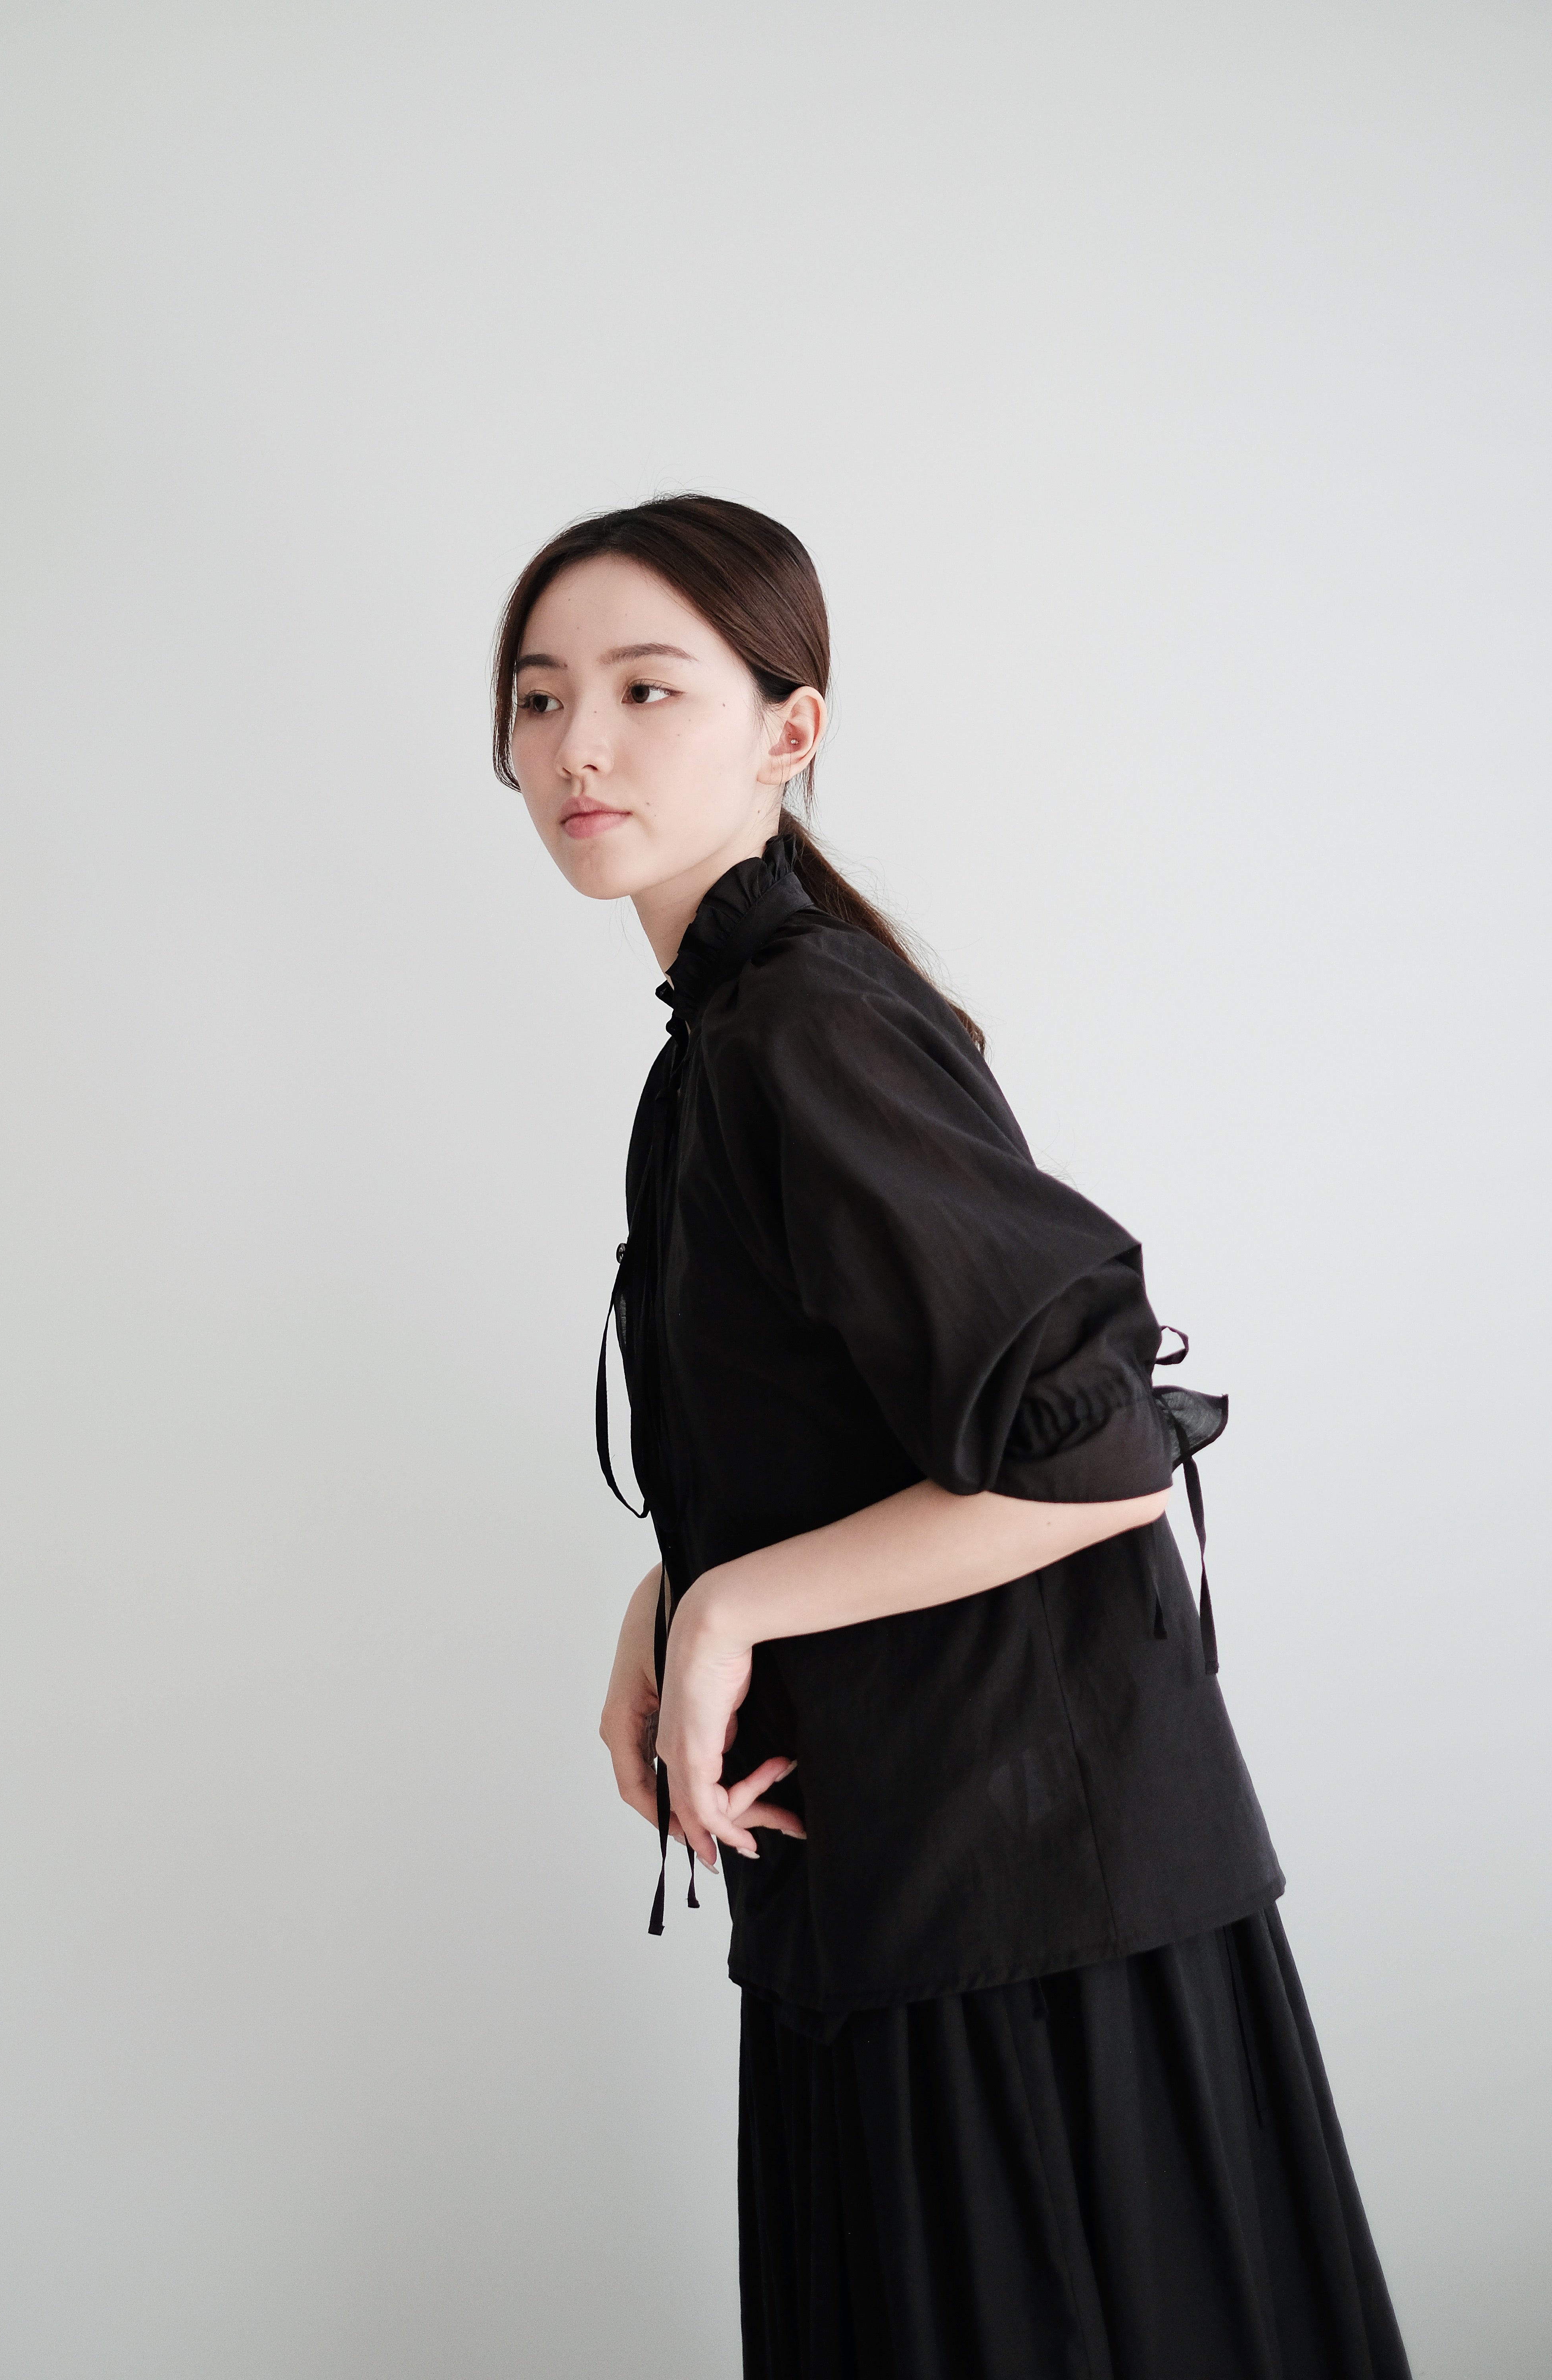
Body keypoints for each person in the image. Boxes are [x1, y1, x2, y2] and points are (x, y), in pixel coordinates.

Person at [494, 494, 1410, 2380]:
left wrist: (734, 1609)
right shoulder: (719, 1048)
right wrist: (675, 1587)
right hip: (911, 1887)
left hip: (1019, 1921)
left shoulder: (799, 1028)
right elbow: (854, 1418)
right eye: (538, 697)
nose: (578, 746)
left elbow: (1099, 1448)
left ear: (789, 729)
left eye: (646, 690)